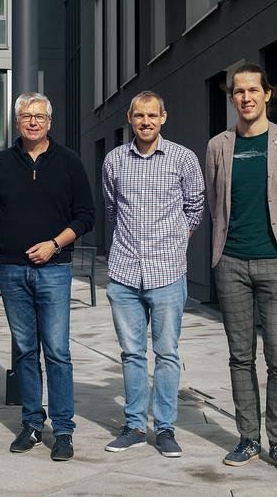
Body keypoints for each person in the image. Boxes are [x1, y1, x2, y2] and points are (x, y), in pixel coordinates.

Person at [206, 64, 277, 474]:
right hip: (230, 263)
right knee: (239, 357)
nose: (246, 97)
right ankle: (248, 438)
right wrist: (220, 251)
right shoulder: (218, 145)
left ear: (267, 94)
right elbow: (216, 201)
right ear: (232, 98)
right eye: (238, 91)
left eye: (254, 90)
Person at [0, 92, 95, 461]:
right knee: (25, 352)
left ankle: (63, 429)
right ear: (17, 122)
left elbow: (85, 216)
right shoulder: (1, 163)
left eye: (39, 116)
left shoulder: (69, 162)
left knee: (58, 352)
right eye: (26, 116)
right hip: (12, 270)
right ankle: (32, 423)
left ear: (50, 122)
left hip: (54, 269)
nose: (32, 121)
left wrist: (54, 244)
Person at [102, 91, 205, 458]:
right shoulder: (114, 160)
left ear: (164, 117)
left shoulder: (183, 158)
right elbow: (112, 209)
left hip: (167, 272)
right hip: (124, 272)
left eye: (152, 115)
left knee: (166, 353)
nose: (146, 121)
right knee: (131, 354)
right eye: (139, 116)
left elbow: (195, 207)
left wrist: (175, 241)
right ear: (129, 118)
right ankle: (133, 426)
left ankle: (164, 428)